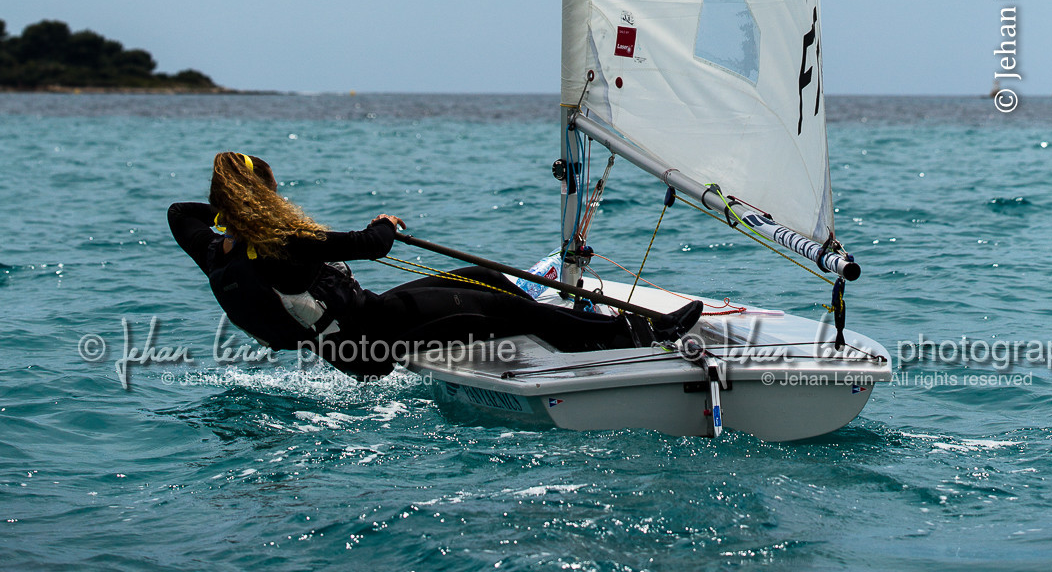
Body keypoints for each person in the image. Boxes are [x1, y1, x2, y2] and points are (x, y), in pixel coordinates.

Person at [168, 150, 702, 378]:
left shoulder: (213, 250)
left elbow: (178, 212)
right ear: (265, 198)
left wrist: (229, 211)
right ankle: (632, 335)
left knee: (489, 279)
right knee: (505, 307)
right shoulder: (287, 242)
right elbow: (371, 244)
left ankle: (570, 334)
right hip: (375, 338)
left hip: (358, 338)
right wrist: (387, 222)